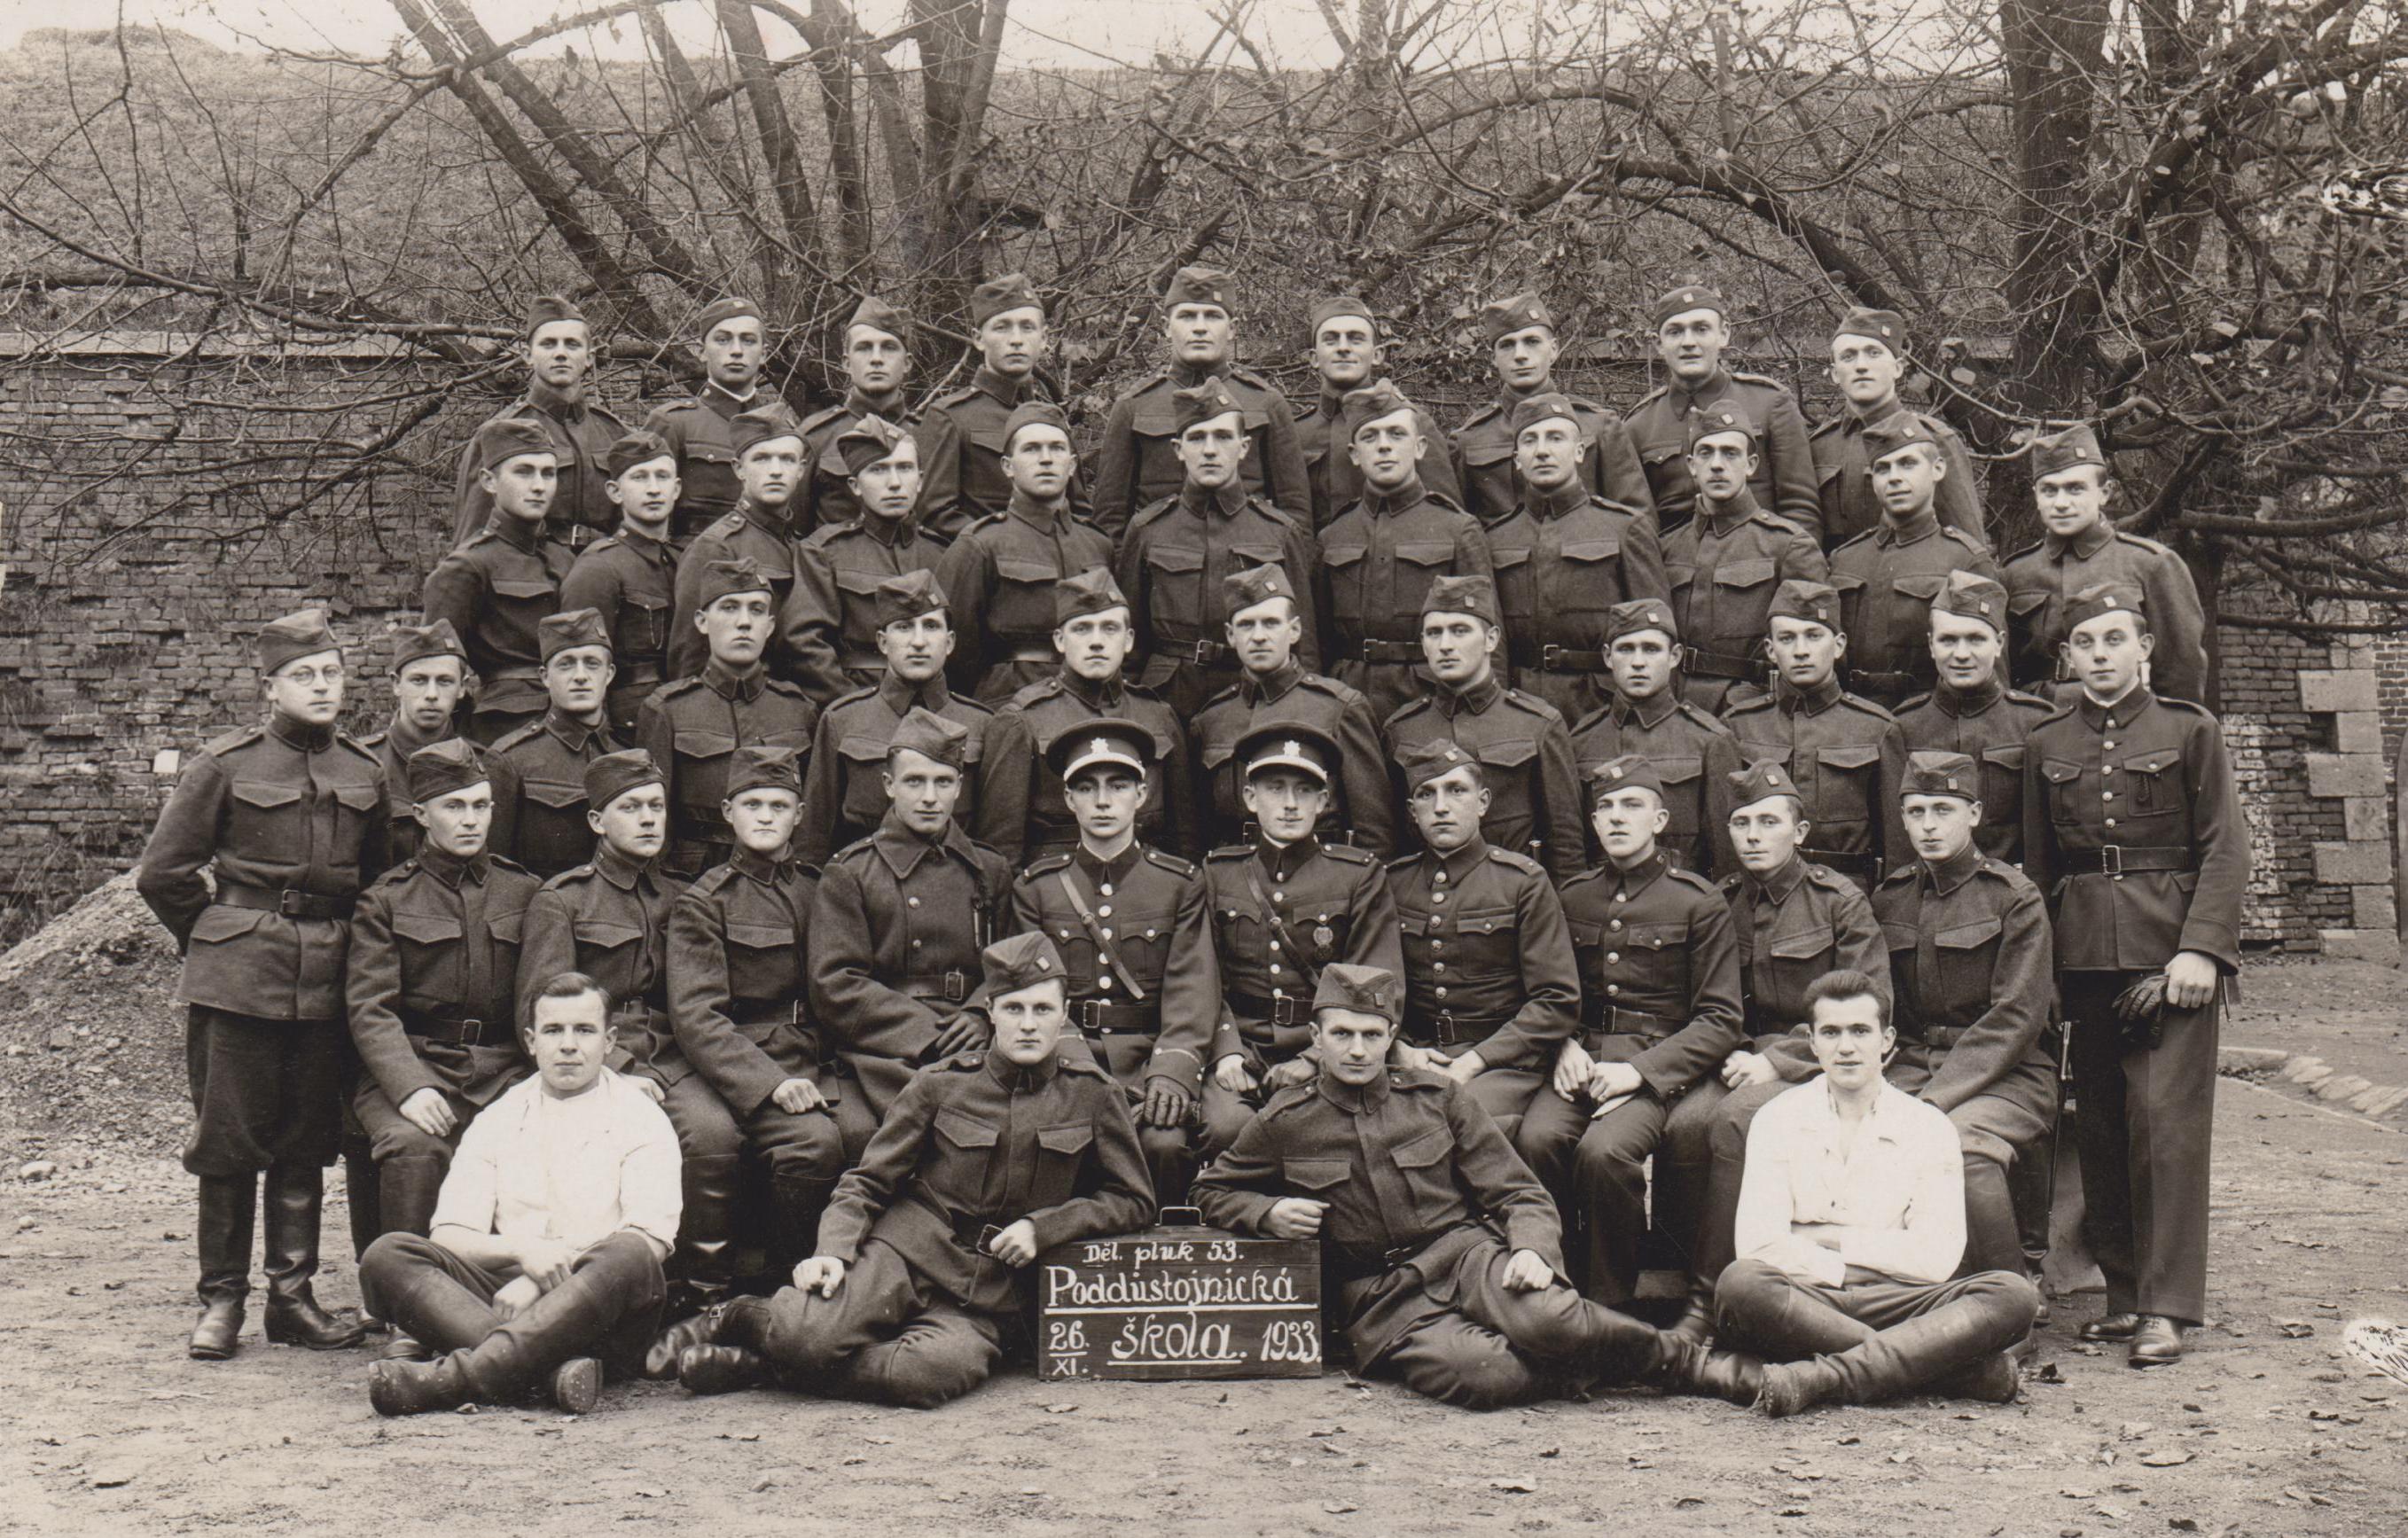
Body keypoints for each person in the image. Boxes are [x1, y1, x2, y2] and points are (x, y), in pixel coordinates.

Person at [1193, 964, 1762, 1409]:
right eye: (1342, 1034)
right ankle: (1604, 1364)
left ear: (1392, 1037)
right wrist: (1267, 1213)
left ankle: (1698, 1367)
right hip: (1382, 1297)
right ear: (1316, 1038)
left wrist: (1532, 1249)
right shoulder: (1284, 1119)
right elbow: (1212, 1191)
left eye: (1371, 1034)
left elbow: (1518, 1192)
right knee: (1484, 1374)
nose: (1358, 1050)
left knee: (1552, 1320)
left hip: (1467, 1257)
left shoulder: (1437, 1098)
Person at [663, 933, 1154, 1406]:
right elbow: (868, 1181)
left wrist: (1043, 1228)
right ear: (991, 1012)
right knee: (805, 1334)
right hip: (906, 1254)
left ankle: (764, 1368)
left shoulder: (1094, 1094)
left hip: (989, 1291)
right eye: (1014, 1008)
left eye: (1042, 1009)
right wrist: (833, 1250)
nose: (1028, 1024)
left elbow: (1133, 1200)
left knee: (925, 1375)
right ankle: (737, 1316)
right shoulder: (940, 1084)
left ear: (1064, 1015)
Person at [136, 608, 385, 1360]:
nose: (321, 685)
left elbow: (376, 884)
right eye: (303, 675)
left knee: (306, 1140)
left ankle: (292, 1298)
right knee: (229, 1139)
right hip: (237, 979)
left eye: (331, 672)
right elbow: (164, 873)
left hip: (328, 978)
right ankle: (221, 1300)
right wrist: (219, 934)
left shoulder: (364, 771)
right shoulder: (226, 764)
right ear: (270, 687)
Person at [2023, 582, 2246, 1366]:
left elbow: (2225, 847)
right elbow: (2039, 868)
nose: (2100, 656)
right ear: (2068, 655)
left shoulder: (2190, 729)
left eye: (2115, 639)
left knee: (2165, 1128)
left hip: (2169, 954)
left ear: (2145, 647)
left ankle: (2168, 1304)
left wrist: (2202, 949)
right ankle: (2124, 1294)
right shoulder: (2047, 741)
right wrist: (2043, 971)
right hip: (2082, 953)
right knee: (2104, 1127)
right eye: (2085, 643)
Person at [1716, 971, 2039, 1416]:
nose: (1846, 1047)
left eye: (1860, 1031)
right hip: (1810, 1300)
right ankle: (1943, 1371)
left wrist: (1826, 1238)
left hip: (1901, 1302)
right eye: (1831, 1033)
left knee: (2012, 1294)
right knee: (1742, 1284)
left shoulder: (1928, 1126)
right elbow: (1758, 1248)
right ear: (1812, 1043)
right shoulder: (1777, 1119)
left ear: (1886, 1040)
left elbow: (1936, 1260)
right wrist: (1864, 1262)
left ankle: (1825, 1377)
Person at [358, 972, 681, 1416]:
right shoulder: (499, 1116)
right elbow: (450, 1233)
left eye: (584, 1031)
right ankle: (549, 1374)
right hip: (504, 1298)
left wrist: (539, 1280)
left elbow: (651, 1241)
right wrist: (523, 1252)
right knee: (388, 1254)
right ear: (531, 1041)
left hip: (602, 1312)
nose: (568, 1045)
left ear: (609, 1041)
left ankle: (461, 1378)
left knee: (628, 1252)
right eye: (554, 1031)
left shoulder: (641, 1117)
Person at [1661, 760, 1889, 1341]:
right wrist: (1731, 1052)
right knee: (1684, 1126)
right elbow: (1701, 996)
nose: (1754, 835)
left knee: (1735, 1119)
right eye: (1741, 823)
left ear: (1800, 831)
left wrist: (1778, 1060)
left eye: (1769, 821)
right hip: (1735, 1057)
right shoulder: (1720, 900)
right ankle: (1682, 1277)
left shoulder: (1838, 900)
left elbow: (1869, 1000)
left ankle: (1709, 1300)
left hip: (1814, 1061)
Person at [515, 751, 736, 1316]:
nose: (648, 819)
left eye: (656, 807)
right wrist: (615, 1073)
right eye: (631, 807)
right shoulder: (564, 899)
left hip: (678, 1054)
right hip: (599, 1059)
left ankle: (703, 1298)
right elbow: (539, 1011)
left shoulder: (684, 896)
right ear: (597, 821)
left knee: (714, 1135)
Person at [1516, 755, 1743, 1304]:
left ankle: (1608, 1305)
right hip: (1580, 1059)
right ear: (1594, 823)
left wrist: (1639, 1073)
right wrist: (1561, 1044)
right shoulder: (1572, 896)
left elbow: (1720, 1018)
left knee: (1606, 1154)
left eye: (1633, 805)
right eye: (1607, 808)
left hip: (1656, 1066)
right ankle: (1558, 1289)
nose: (1618, 817)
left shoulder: (1697, 901)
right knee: (1537, 1141)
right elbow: (1549, 989)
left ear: (1660, 820)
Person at [344, 739, 541, 1364]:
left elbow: (539, 996)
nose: (470, 819)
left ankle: (508, 1293)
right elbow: (371, 1008)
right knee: (416, 1146)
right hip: (414, 1062)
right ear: (421, 814)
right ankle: (408, 1311)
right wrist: (411, 1086)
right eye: (454, 806)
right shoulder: (387, 898)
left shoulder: (524, 891)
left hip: (502, 1066)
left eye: (481, 805)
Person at [1865, 752, 2059, 1281]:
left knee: (1960, 1143)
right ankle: (1906, 1284)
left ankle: (2013, 1288)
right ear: (1902, 819)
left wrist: (1933, 1100)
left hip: (2009, 1075)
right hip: (1911, 1064)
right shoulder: (1889, 898)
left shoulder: (2013, 897)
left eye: (1943, 810)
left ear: (1973, 814)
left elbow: (2016, 1016)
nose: (1928, 826)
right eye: (1916, 811)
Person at [1008, 720, 1219, 1202]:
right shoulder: (1037, 888)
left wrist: (1171, 1070)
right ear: (1068, 799)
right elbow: (1031, 992)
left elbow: (1192, 985)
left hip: (1148, 1058)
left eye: (1118, 786)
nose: (1103, 801)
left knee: (1165, 1144)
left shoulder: (1179, 884)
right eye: (1087, 788)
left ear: (1142, 794)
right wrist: (1078, 1070)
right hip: (1065, 1058)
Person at [664, 746, 845, 1288]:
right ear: (728, 812)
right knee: (812, 1144)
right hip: (747, 1065)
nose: (765, 817)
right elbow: (697, 1016)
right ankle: (753, 1287)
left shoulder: (820, 889)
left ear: (800, 814)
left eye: (779, 805)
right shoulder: (705, 901)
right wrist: (770, 1084)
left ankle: (805, 1282)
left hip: (819, 1057)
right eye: (752, 804)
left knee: (867, 1132)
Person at [809, 708, 1014, 1159]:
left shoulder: (990, 870)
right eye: (914, 781)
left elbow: (1010, 965)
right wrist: (928, 1033)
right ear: (889, 785)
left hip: (977, 1039)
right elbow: (836, 985)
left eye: (943, 782)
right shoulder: (852, 872)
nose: (929, 797)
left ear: (959, 787)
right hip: (889, 1049)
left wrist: (980, 1014)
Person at [1198, 722, 1403, 1157]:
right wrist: (1226, 1052)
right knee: (1225, 1130)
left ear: (1323, 802)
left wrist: (1315, 1058)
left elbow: (1375, 984)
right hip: (1242, 1048)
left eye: (1304, 791)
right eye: (1275, 789)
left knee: (1328, 1137)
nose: (1290, 804)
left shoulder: (1358, 876)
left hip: (1329, 1049)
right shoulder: (1218, 874)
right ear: (1250, 797)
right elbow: (1201, 979)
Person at [1383, 738, 1578, 1142]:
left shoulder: (1522, 882)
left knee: (1445, 1125)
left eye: (1456, 790)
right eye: (1426, 794)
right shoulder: (1392, 883)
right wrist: (1400, 1049)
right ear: (1412, 811)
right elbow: (1375, 983)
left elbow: (1556, 1000)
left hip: (1502, 1064)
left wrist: (1476, 1060)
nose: (1441, 806)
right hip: (1416, 1057)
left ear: (1483, 802)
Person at [1116, 377, 1324, 721]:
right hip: (1168, 695)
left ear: (1244, 447)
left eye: (1223, 437)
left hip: (1253, 694)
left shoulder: (1279, 531)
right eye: (1197, 438)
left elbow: (1305, 644)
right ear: (1178, 449)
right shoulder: (1147, 529)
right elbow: (1130, 643)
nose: (1210, 450)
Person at [1299, 379, 1493, 725]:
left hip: (1433, 698)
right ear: (1354, 454)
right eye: (1370, 437)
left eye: (1396, 435)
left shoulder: (1457, 528)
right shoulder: (1332, 536)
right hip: (1348, 698)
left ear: (1419, 448)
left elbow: (1490, 635)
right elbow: (1316, 638)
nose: (1384, 446)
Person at [974, 568, 1199, 864]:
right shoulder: (1022, 719)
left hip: (1146, 882)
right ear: (1059, 640)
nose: (1096, 642)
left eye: (1110, 628)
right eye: (1082, 629)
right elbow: (1002, 847)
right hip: (1056, 883)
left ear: (1129, 640)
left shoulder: (1158, 716)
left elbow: (1185, 838)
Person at [1383, 574, 1585, 886]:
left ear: (1491, 639)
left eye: (1460, 631)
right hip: (1424, 901)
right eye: (1434, 633)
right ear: (1423, 643)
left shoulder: (1538, 724)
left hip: (1515, 898)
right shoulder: (1402, 729)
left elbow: (1566, 842)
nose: (1445, 645)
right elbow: (1391, 837)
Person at [1091, 264, 1310, 542]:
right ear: (1166, 327)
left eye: (1212, 316)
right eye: (1187, 316)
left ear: (1232, 329)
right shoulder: (1133, 406)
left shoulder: (1267, 402)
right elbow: (1110, 521)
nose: (1199, 328)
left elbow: (1296, 514)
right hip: (1162, 558)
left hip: (1250, 557)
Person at [1483, 391, 1667, 724]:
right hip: (1520, 703)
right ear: (1517, 459)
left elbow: (1656, 632)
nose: (1542, 451)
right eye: (1530, 441)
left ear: (1580, 451)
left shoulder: (1625, 527)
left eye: (1556, 438)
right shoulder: (1496, 538)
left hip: (1601, 704)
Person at [1191, 564, 1395, 857]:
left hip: (1321, 872)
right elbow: (1200, 829)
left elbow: (1375, 831)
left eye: (1271, 623)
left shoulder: (1340, 707)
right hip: (1235, 875)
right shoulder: (1211, 718)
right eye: (1246, 625)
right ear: (1230, 635)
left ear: (1295, 630)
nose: (1258, 636)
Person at [795, 570, 993, 866]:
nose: (918, 642)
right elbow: (814, 838)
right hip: (864, 883)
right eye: (904, 627)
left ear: (950, 642)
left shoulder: (982, 724)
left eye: (930, 626)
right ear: (883, 642)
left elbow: (992, 846)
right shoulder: (843, 720)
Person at [1721, 579, 1906, 894]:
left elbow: (1897, 842)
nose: (1801, 651)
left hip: (1847, 895)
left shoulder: (1877, 728)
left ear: (1839, 645)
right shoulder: (1738, 725)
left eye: (1814, 636)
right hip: (1760, 895)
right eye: (1787, 638)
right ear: (1770, 650)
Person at [2002, 425, 2209, 705]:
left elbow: (2181, 674)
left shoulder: (2151, 564)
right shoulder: (2016, 573)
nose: (2061, 503)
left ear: (2105, 492)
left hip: (2128, 719)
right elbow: (2005, 672)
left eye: (2075, 489)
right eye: (2049, 491)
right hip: (2040, 717)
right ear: (2036, 496)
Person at [639, 556, 819, 878]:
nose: (744, 622)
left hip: (778, 879)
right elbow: (655, 818)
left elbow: (810, 820)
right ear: (702, 621)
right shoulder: (668, 709)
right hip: (693, 877)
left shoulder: (798, 709)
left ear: (770, 626)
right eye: (729, 608)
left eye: (756, 610)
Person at [934, 401, 1116, 707]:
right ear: (1008, 466)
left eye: (1057, 448)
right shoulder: (980, 544)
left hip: (1088, 703)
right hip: (1009, 703)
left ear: (1072, 465)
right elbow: (954, 652)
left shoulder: (1097, 544)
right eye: (1031, 449)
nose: (1046, 459)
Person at [1661, 406, 1829, 712]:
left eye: (1730, 453)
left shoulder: (1788, 544)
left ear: (1751, 465)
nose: (1717, 465)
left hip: (1752, 707)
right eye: (1705, 453)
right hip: (1676, 706)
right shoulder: (1669, 547)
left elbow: (1815, 647)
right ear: (1692, 466)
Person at [1829, 415, 2001, 709]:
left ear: (1938, 469)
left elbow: (1993, 673)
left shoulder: (1965, 558)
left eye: (1908, 464)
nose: (1894, 477)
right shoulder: (1845, 559)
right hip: (1852, 720)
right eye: (1882, 468)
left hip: (1930, 718)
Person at [1624, 285, 1818, 535]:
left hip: (1761, 555)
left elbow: (1800, 508)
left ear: (1724, 334)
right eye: (1675, 332)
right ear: (1659, 343)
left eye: (1701, 329)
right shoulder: (1639, 425)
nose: (1689, 342)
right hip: (1675, 558)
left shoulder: (1771, 403)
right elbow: (1637, 525)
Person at [1568, 598, 1742, 877]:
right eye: (1626, 649)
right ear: (1608, 657)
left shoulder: (1709, 740)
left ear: (1674, 656)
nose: (1638, 662)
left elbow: (1727, 855)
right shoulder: (1581, 739)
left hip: (1683, 897)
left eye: (1651, 649)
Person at [783, 414, 949, 706]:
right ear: (855, 485)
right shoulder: (825, 551)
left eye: (904, 468)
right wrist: (857, 708)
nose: (894, 483)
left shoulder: (942, 553)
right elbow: (804, 643)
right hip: (855, 700)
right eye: (878, 470)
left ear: (921, 481)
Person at [421, 418, 569, 745]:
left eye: (548, 473)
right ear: (489, 481)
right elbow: (435, 668)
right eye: (524, 472)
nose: (539, 486)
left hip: (570, 720)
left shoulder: (565, 559)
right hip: (503, 727)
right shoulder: (467, 565)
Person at [1449, 293, 1653, 528]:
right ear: (1493, 358)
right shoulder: (1469, 439)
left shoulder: (1599, 425)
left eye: (1532, 342)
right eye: (1507, 345)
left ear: (1554, 349)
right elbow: (1458, 532)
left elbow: (1638, 522)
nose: (1520, 355)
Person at [913, 272, 1093, 539]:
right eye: (1002, 327)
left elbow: (1079, 511)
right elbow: (935, 513)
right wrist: (1002, 546)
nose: (1016, 339)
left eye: (1027, 327)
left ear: (1044, 338)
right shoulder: (950, 416)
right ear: (978, 338)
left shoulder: (1052, 416)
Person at [1894, 572, 2054, 866]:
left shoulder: (2035, 722)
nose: (1962, 654)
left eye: (1976, 639)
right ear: (1931, 645)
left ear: (1999, 643)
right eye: (1948, 640)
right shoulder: (1904, 725)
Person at [450, 295, 630, 552]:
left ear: (589, 357)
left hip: (603, 568)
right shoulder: (500, 432)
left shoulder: (615, 432)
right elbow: (473, 536)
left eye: (572, 344)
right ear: (528, 355)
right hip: (531, 568)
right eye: (548, 344)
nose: (560, 354)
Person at [1805, 308, 1985, 551]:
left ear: (1898, 367)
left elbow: (1968, 545)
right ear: (1835, 374)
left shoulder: (1933, 438)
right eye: (1848, 356)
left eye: (1874, 353)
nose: (1861, 366)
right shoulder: (1819, 446)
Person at [1290, 296, 1461, 531]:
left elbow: (1446, 519)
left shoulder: (1414, 422)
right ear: (1313, 358)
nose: (1343, 348)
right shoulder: (1295, 434)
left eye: (1356, 339)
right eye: (1331, 340)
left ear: (1378, 354)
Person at [667, 407, 814, 680]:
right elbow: (689, 658)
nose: (776, 471)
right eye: (761, 459)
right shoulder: (716, 546)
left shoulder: (801, 546)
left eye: (787, 459)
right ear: (739, 469)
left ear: (801, 470)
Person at [643, 296, 800, 547]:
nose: (736, 350)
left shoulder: (782, 430)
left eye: (748, 340)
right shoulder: (673, 423)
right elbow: (647, 522)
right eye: (723, 340)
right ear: (702, 351)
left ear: (764, 354)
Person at [485, 607, 623, 880]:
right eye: (566, 664)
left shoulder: (625, 758)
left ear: (609, 674)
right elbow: (495, 870)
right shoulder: (510, 759)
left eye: (592, 664)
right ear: (545, 676)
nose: (580, 675)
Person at [561, 430, 681, 734]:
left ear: (677, 488)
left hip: (681, 716)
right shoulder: (599, 567)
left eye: (662, 477)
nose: (654, 489)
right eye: (640, 478)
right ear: (615, 492)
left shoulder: (683, 561)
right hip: (626, 725)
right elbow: (580, 665)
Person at [794, 296, 916, 537]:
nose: (876, 358)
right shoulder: (816, 437)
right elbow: (796, 529)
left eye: (889, 347)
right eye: (864, 348)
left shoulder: (930, 432)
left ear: (907, 363)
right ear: (846, 363)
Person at [363, 620, 468, 874]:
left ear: (462, 687)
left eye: (444, 681)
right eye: (419, 680)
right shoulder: (364, 762)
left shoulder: (482, 762)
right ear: (396, 684)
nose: (431, 694)